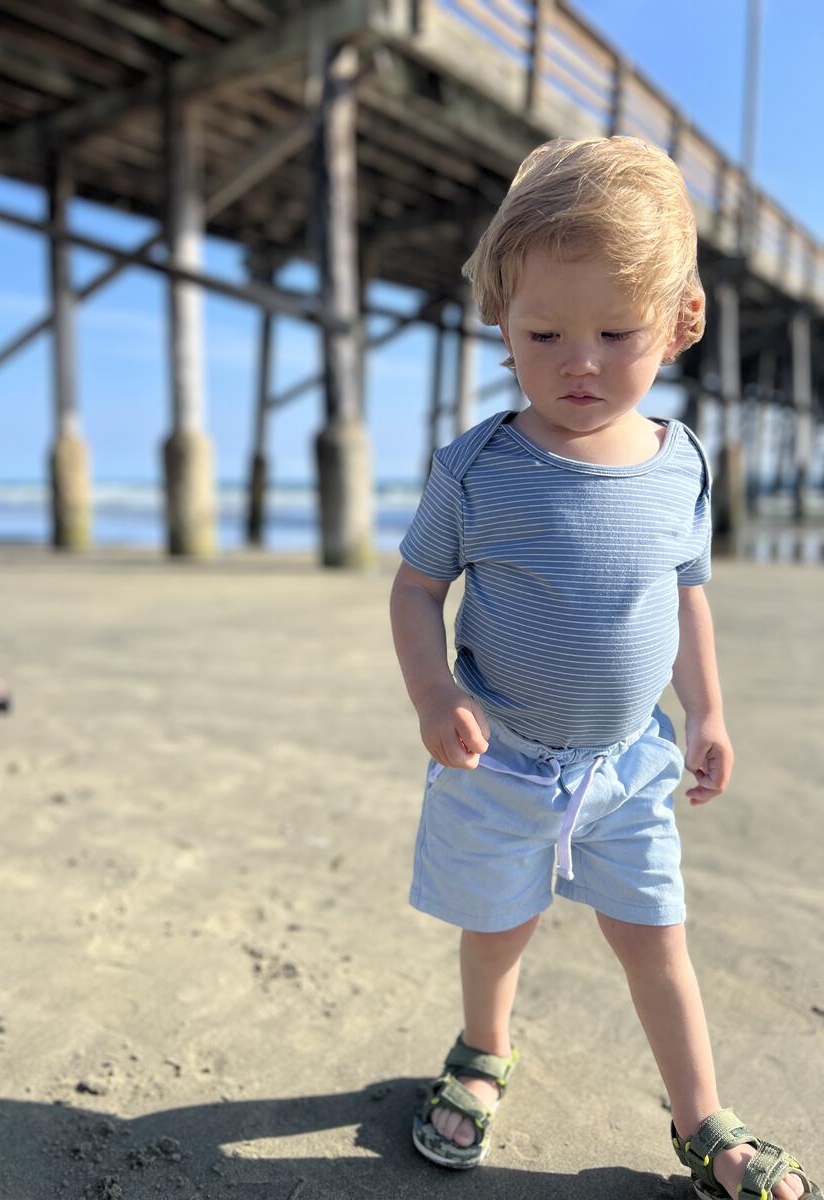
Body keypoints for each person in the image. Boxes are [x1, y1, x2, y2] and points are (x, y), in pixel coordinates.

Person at [389, 136, 820, 1200]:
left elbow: (683, 595)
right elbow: (413, 590)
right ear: (501, 323)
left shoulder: (681, 463)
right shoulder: (479, 467)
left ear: (680, 323)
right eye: (544, 332)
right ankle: (483, 1053)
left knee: (655, 939)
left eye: (615, 332)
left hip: (630, 765)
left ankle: (702, 1119)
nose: (579, 360)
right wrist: (435, 690)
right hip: (502, 759)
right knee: (498, 929)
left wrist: (708, 709)